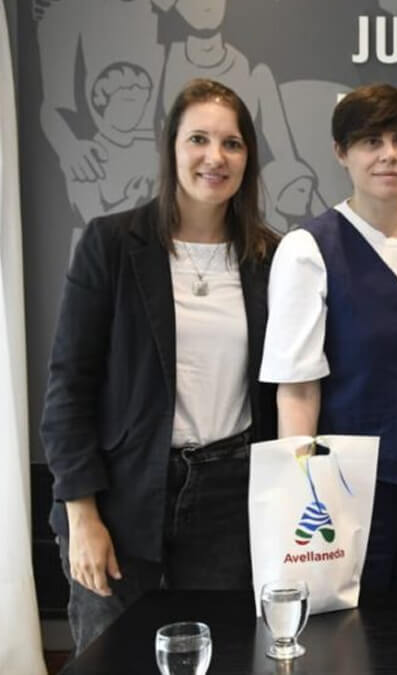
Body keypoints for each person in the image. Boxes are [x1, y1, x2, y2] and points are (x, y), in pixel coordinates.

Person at [41, 78, 278, 652]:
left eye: (232, 143)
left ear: (248, 157)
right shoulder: (112, 243)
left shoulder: (270, 256)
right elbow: (70, 386)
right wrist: (83, 516)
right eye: (198, 138)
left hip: (230, 496)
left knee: (220, 657)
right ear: (171, 146)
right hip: (122, 495)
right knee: (112, 659)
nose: (214, 158)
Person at [259, 83, 397, 593]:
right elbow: (298, 390)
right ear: (341, 153)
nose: (388, 155)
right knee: (350, 648)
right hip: (344, 496)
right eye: (371, 142)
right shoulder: (308, 250)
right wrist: (302, 499)